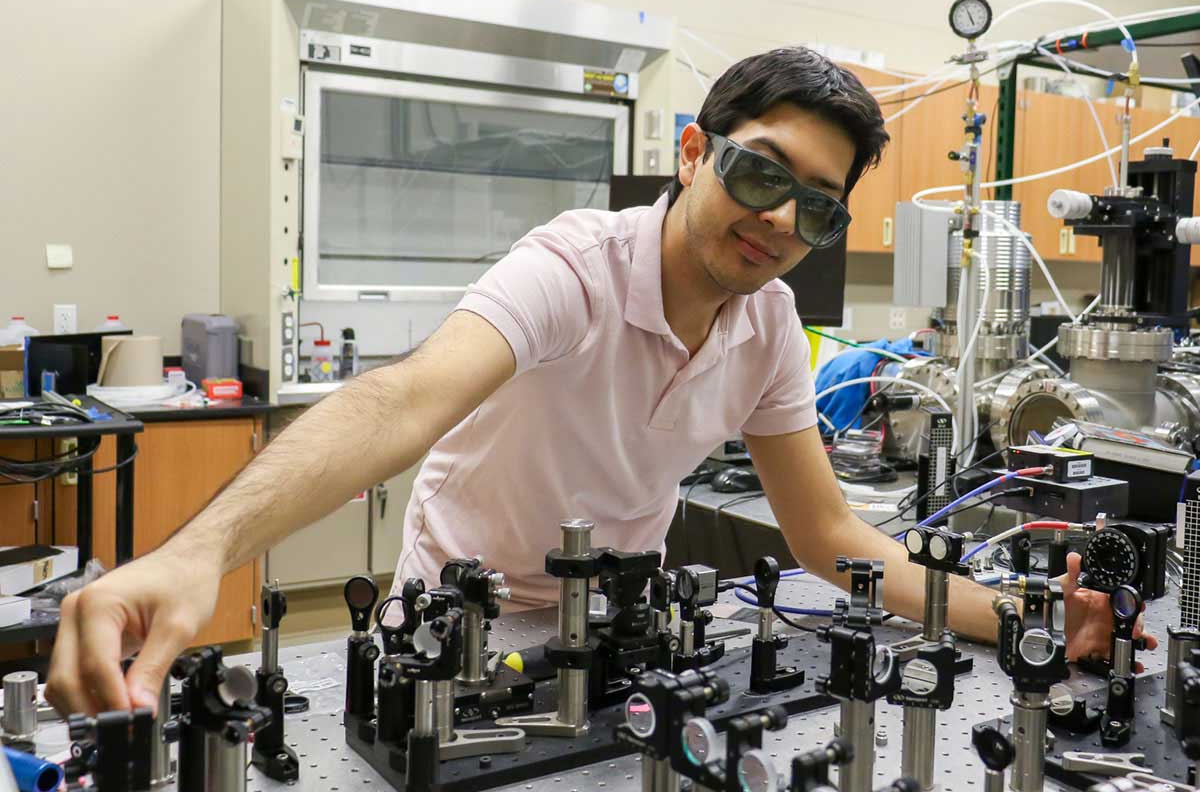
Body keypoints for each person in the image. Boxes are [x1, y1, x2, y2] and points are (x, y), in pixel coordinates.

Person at [46, 47, 1153, 716]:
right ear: (692, 152)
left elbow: (830, 538)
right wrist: (195, 553)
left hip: (619, 626)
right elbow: (405, 398)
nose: (777, 218)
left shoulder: (767, 324)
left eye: (815, 204)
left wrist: (1021, 619)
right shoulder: (574, 266)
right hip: (460, 626)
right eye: (758, 169)